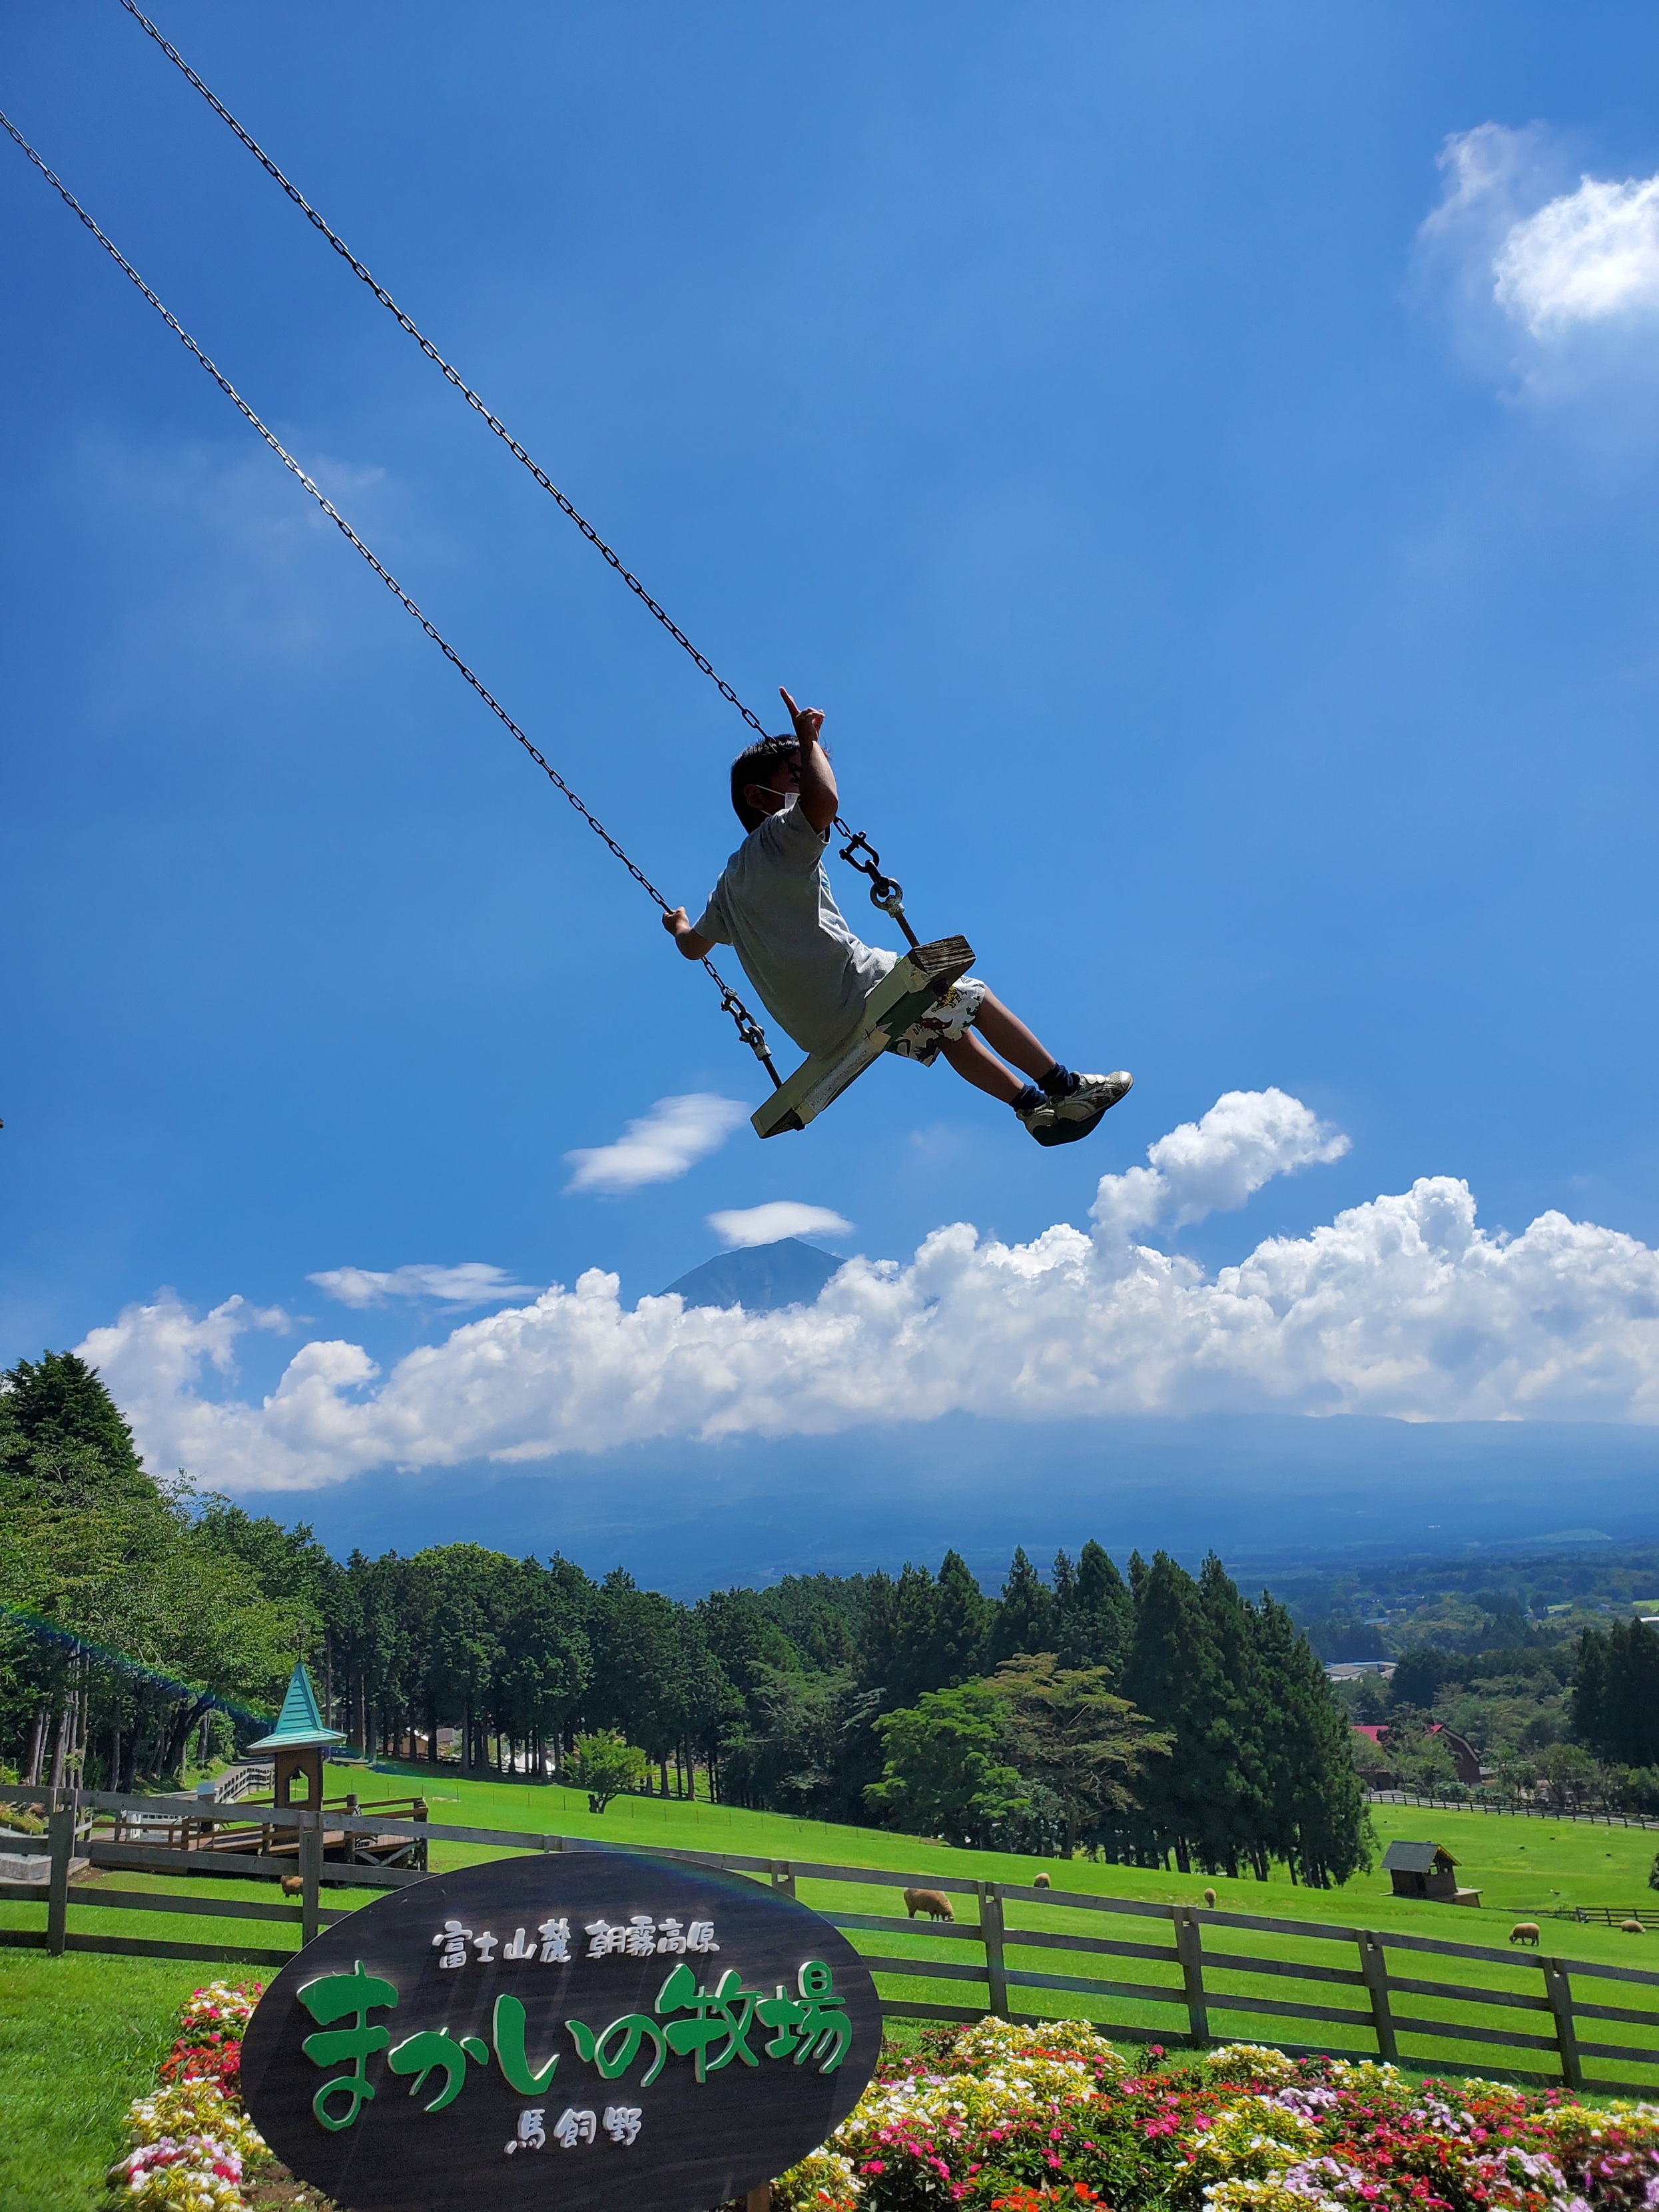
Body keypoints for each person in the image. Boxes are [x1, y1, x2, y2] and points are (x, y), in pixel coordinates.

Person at [663, 689, 1132, 1146]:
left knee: (950, 1029)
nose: (807, 778)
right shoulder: (779, 836)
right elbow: (824, 803)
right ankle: (1066, 1088)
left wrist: (679, 924)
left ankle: (1030, 1108)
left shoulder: (728, 886)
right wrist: (806, 742)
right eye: (796, 775)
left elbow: (692, 947)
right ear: (758, 796)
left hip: (817, 1029)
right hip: (858, 989)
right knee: (975, 996)